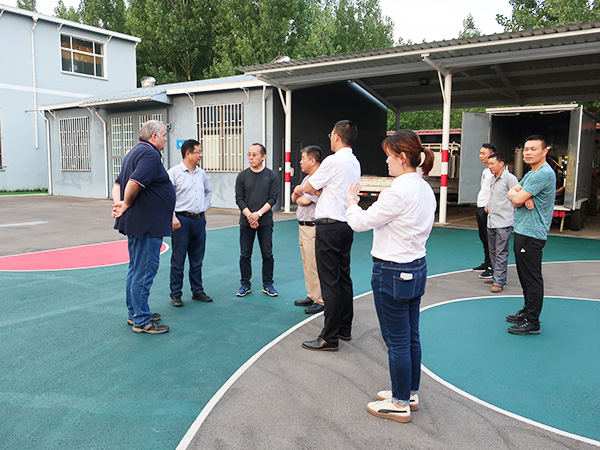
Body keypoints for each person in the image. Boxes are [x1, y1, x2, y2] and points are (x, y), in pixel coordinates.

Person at [346, 130, 436, 423]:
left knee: (396, 340)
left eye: (389, 155)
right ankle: (409, 392)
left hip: (392, 271)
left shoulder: (397, 192)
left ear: (402, 157)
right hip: (417, 266)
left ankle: (399, 403)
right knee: (411, 336)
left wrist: (351, 202)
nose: (386, 161)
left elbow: (361, 222)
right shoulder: (424, 188)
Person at [301, 120, 361, 351]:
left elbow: (309, 186)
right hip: (346, 223)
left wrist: (320, 189)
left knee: (329, 281)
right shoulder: (354, 162)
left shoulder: (333, 160)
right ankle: (344, 327)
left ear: (336, 136)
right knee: (344, 277)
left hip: (328, 226)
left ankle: (329, 336)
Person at [112, 120, 175, 334]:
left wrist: (119, 204)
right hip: (147, 225)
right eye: (164, 135)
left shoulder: (133, 153)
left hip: (138, 224)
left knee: (135, 269)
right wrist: (126, 204)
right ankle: (142, 320)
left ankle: (135, 313)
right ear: (154, 136)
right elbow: (133, 183)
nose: (166, 139)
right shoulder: (149, 155)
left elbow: (117, 184)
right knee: (145, 270)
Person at [506, 135, 556, 335]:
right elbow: (512, 193)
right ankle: (527, 311)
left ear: (545, 152)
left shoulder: (542, 174)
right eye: (526, 149)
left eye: (533, 149)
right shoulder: (531, 173)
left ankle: (532, 321)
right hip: (523, 231)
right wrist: (518, 196)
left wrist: (519, 196)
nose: (528, 153)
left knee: (532, 277)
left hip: (532, 234)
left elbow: (516, 198)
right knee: (524, 275)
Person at [168, 139, 213, 307]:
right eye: (198, 152)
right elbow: (167, 197)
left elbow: (208, 191)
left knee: (197, 259)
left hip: (199, 221)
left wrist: (204, 208)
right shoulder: (173, 173)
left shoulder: (201, 174)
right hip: (181, 221)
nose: (201, 155)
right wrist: (172, 216)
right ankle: (176, 294)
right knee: (178, 260)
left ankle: (197, 291)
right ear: (188, 153)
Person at [235, 143, 280, 297]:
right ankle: (245, 284)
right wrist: (250, 216)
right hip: (246, 221)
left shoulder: (272, 176)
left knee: (267, 254)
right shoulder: (242, 176)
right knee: (245, 254)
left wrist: (258, 214)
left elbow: (273, 198)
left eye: (254, 154)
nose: (251, 157)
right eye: (249, 154)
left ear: (263, 157)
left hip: (265, 221)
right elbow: (239, 199)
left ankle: (268, 284)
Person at [291, 146, 324, 314]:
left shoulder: (318, 179)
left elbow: (305, 201)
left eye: (303, 158)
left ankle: (320, 299)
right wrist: (297, 194)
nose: (300, 161)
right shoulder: (307, 179)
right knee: (307, 263)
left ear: (312, 160)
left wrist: (299, 196)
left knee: (314, 264)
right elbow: (294, 197)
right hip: (303, 226)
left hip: (313, 227)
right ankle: (312, 294)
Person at [485, 153, 518, 293]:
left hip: (504, 222)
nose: (490, 166)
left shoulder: (510, 179)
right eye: (489, 164)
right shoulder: (493, 179)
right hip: (492, 221)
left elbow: (518, 196)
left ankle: (499, 281)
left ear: (501, 164)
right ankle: (497, 276)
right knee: (493, 251)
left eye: (492, 164)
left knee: (501, 252)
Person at [473, 143, 496, 279]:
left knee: (489, 238)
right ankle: (487, 262)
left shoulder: (495, 172)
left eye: (483, 153)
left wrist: (489, 204)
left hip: (487, 208)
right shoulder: (485, 171)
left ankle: (492, 267)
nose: (480, 156)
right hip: (480, 206)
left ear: (491, 155)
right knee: (483, 237)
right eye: (480, 153)